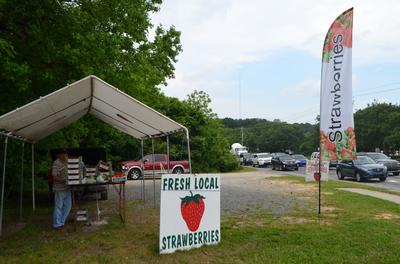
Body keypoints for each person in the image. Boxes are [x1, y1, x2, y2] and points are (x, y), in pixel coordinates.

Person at [52, 149, 71, 230]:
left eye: (66, 154)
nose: (65, 156)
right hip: (59, 189)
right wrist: (63, 180)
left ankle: (62, 222)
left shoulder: (66, 162)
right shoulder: (56, 163)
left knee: (68, 205)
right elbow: (54, 176)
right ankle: (56, 224)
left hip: (67, 188)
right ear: (59, 155)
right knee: (58, 206)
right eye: (64, 154)